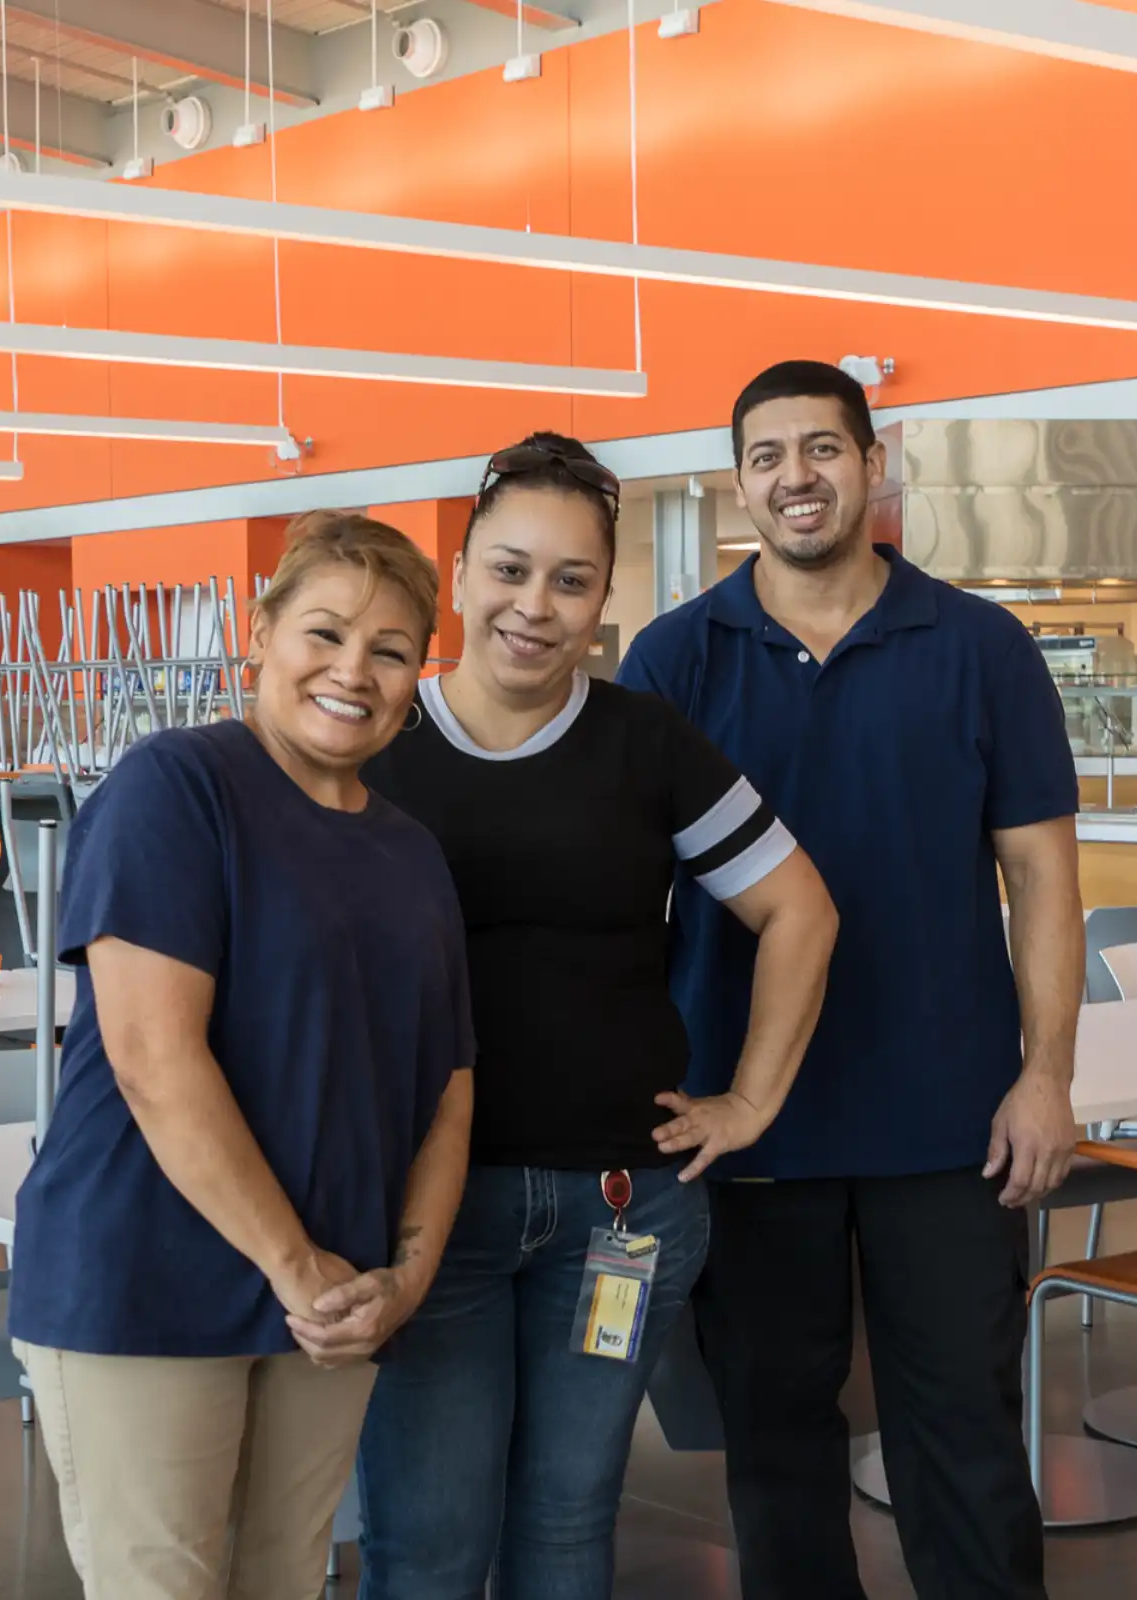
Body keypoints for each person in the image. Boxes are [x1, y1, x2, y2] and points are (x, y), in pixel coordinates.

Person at [618, 362, 1084, 1600]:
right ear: (737, 485)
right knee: (774, 1447)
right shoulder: (673, 659)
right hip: (748, 1120)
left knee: (966, 1438)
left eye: (821, 449)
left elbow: (1041, 880)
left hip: (951, 1120)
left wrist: (1045, 1077)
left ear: (873, 466)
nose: (795, 477)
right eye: (766, 456)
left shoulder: (981, 647)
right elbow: (623, 899)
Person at [355, 432, 839, 1600]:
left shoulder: (645, 743)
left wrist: (752, 1098)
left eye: (570, 581)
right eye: (509, 570)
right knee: (425, 1538)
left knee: (566, 1525)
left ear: (601, 601)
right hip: (425, 1210)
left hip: (616, 1213)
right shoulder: (373, 739)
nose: (534, 605)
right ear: (459, 573)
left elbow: (799, 909)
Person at [8, 513, 477, 1600]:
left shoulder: (410, 851)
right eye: (324, 632)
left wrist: (401, 1277)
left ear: (417, 676)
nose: (352, 671)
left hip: (332, 1296)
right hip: (147, 1278)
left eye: (391, 649)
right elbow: (149, 1056)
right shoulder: (174, 786)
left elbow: (448, 1089)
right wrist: (293, 1263)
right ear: (259, 630)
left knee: (283, 1580)